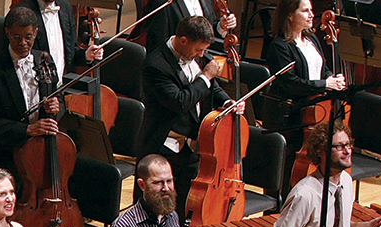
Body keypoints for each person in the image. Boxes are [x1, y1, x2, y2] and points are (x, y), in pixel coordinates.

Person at [138, 16, 240, 209]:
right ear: (183, 40)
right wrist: (206, 77)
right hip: (164, 147)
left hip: (193, 148)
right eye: (198, 49)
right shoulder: (155, 65)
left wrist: (228, 102)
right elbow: (180, 101)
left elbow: (212, 87)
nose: (202, 54)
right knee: (158, 208)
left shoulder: (198, 56)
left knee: (185, 207)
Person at [0, 6, 62, 181]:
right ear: (7, 33)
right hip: (2, 156)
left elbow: (60, 100)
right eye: (16, 37)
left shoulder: (45, 60)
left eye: (28, 37)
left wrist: (57, 106)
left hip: (40, 153)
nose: (23, 43)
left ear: (35, 33)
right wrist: (27, 130)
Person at [263, 0, 346, 189]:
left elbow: (322, 68)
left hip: (313, 112)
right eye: (305, 11)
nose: (311, 15)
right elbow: (290, 83)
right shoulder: (279, 47)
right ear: (290, 15)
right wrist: (325, 84)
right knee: (286, 174)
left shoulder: (312, 40)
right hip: (289, 118)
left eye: (311, 10)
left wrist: (333, 79)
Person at [19, 0, 102, 82]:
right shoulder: (23, 12)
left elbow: (71, 54)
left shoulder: (66, 7)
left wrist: (86, 55)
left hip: (64, 88)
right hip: (37, 88)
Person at [142, 0, 237, 56]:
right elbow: (158, 45)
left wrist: (221, 26)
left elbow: (207, 31)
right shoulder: (162, 3)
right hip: (178, 70)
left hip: (205, 61)